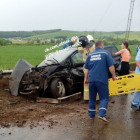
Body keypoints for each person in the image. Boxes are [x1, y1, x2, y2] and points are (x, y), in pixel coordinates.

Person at [84, 40, 116, 122]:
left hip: (91, 80)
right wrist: (113, 75)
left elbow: (86, 68)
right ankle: (101, 114)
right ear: (102, 46)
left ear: (95, 47)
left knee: (92, 98)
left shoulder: (90, 55)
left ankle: (91, 116)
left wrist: (86, 79)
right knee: (104, 97)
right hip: (101, 80)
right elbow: (111, 66)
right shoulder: (105, 53)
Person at [78, 35, 95, 100]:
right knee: (86, 83)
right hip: (87, 67)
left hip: (91, 66)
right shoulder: (84, 47)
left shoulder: (93, 47)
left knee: (92, 83)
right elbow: (79, 49)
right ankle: (86, 98)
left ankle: (95, 98)